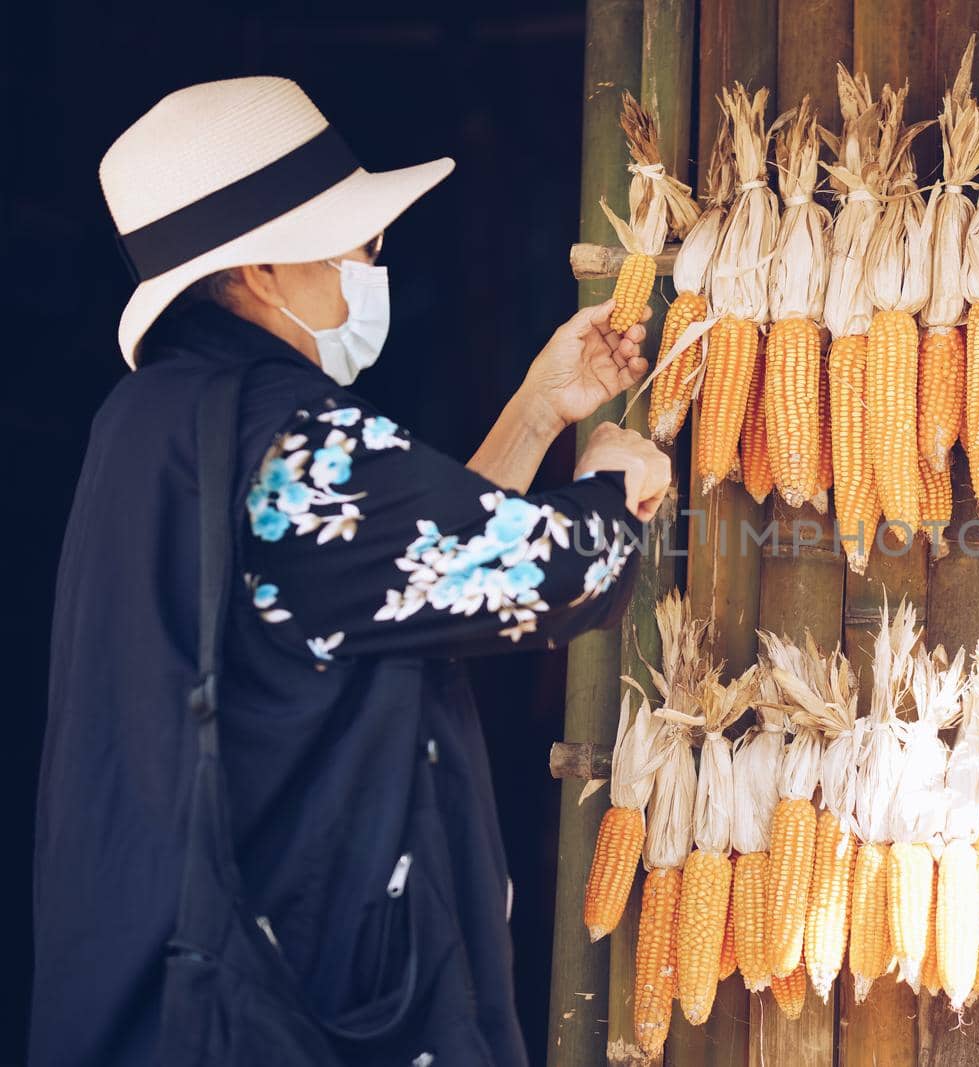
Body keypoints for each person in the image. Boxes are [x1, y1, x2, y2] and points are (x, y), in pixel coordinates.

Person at [32, 76, 672, 1066]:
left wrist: (542, 409)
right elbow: (561, 574)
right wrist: (607, 483)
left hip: (163, 965)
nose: (373, 263)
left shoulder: (161, 419)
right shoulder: (289, 441)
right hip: (292, 991)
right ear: (264, 271)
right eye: (355, 244)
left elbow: (395, 587)